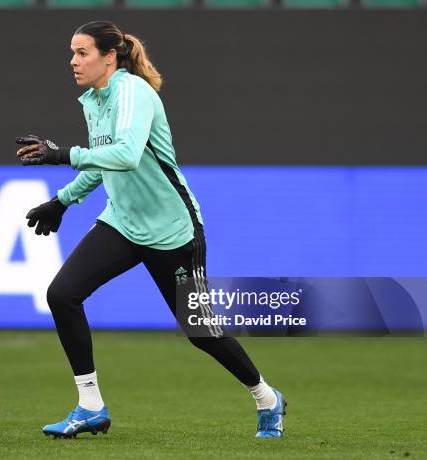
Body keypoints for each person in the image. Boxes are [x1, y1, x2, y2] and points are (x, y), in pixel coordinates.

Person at [15, 20, 286, 439]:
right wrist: (62, 200)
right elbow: (103, 163)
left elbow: (124, 155)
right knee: (62, 294)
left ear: (110, 57)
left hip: (173, 230)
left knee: (201, 332)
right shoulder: (94, 99)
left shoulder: (134, 92)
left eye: (82, 52)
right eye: (72, 51)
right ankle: (90, 405)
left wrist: (61, 154)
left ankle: (267, 398)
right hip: (122, 223)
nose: (73, 60)